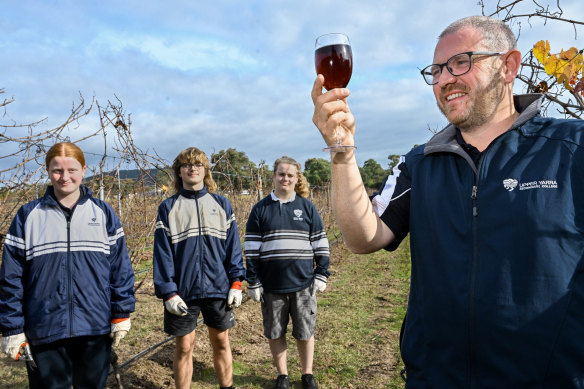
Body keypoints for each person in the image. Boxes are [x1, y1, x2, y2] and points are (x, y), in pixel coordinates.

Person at [311, 15, 584, 388]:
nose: (444, 79)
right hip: (436, 379)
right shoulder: (420, 163)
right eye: (436, 70)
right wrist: (342, 153)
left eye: (461, 62)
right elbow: (364, 237)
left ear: (508, 66)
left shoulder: (571, 149)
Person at [0, 142, 135, 388]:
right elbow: (11, 277)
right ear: (47, 171)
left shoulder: (103, 213)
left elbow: (120, 269)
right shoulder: (27, 216)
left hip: (95, 326)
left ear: (83, 170)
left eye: (71, 170)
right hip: (44, 328)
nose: (64, 177)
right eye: (57, 170)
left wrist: (121, 313)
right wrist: (12, 328)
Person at [153, 147, 245, 389]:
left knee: (222, 341)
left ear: (205, 171)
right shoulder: (168, 208)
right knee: (184, 346)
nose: (191, 168)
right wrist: (168, 292)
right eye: (186, 165)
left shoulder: (221, 204)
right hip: (183, 291)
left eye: (197, 164)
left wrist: (236, 282)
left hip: (218, 287)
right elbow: (162, 254)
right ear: (179, 173)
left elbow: (233, 248)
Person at [244, 156, 330, 389]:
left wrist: (321, 274)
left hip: (303, 283)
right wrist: (253, 281)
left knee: (305, 331)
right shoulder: (260, 209)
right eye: (281, 174)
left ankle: (307, 374)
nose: (285, 178)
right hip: (272, 285)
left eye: (290, 175)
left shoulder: (306, 207)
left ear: (296, 178)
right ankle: (282, 375)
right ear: (274, 177)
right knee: (275, 332)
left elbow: (320, 243)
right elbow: (251, 248)